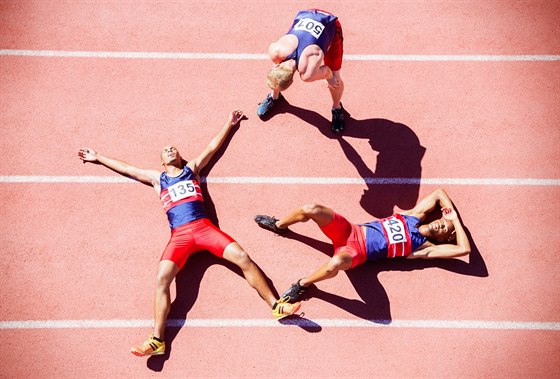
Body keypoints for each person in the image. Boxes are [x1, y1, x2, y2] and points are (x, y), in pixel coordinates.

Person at [78, 109, 301, 357]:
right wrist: (98, 157)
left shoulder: (191, 169)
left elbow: (212, 148)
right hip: (180, 237)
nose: (171, 150)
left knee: (244, 258)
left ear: (181, 156)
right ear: (161, 162)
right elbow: (128, 168)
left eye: (174, 148)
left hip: (205, 229)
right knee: (162, 279)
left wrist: (230, 123)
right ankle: (156, 340)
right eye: (166, 150)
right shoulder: (157, 178)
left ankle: (276, 305)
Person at [254, 189, 471, 303]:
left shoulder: (423, 248)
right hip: (349, 230)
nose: (443, 223)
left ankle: (302, 284)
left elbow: (464, 249)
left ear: (443, 239)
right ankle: (279, 225)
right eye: (443, 220)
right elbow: (439, 193)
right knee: (311, 208)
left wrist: (457, 224)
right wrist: (451, 214)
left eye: (446, 228)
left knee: (336, 263)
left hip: (356, 253)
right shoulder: (414, 216)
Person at [256, 8, 347, 134]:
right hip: (306, 16)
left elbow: (327, 71)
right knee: (277, 61)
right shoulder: (276, 51)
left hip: (329, 24)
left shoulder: (308, 73)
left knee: (336, 81)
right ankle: (274, 97)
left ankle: (337, 107)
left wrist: (330, 78)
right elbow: (277, 67)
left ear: (293, 80)